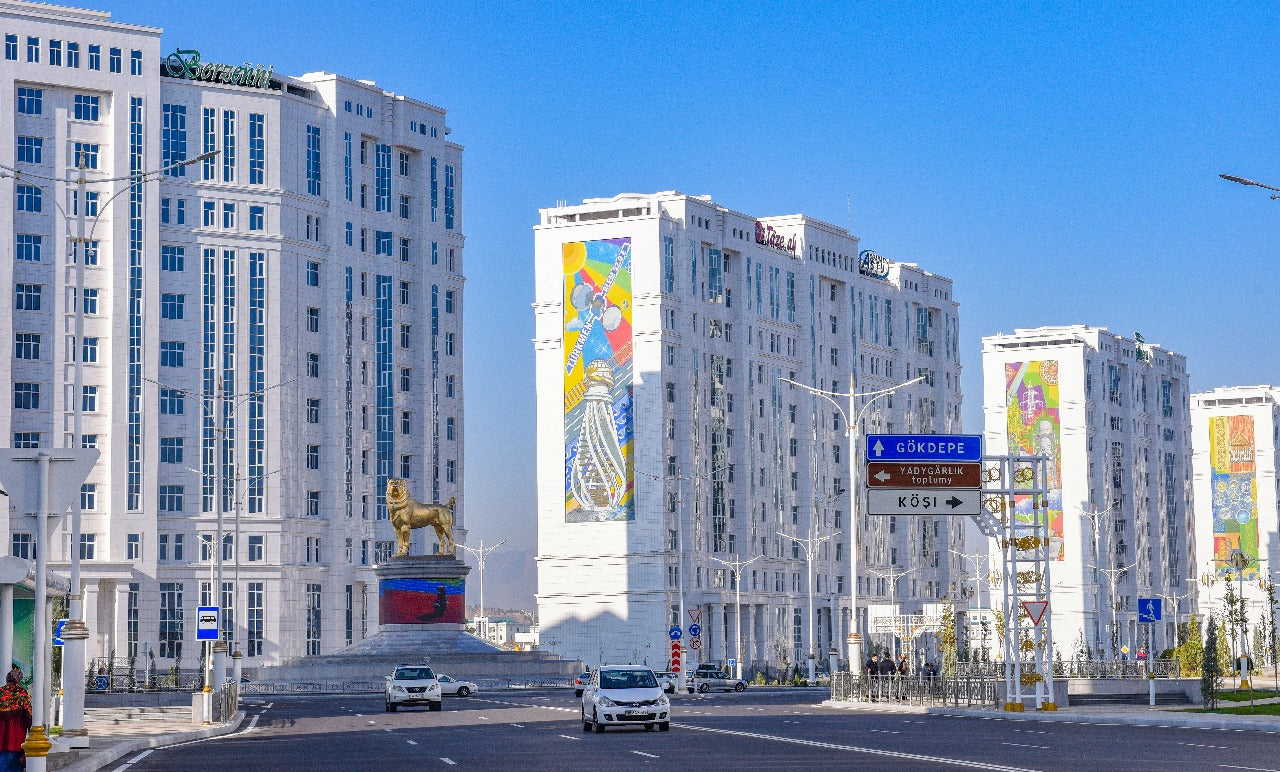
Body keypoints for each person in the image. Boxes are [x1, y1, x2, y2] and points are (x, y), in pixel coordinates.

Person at [0, 671, 31, 772]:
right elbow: (29, 716)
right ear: (18, 679)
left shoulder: (1, 692)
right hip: (17, 740)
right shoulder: (22, 693)